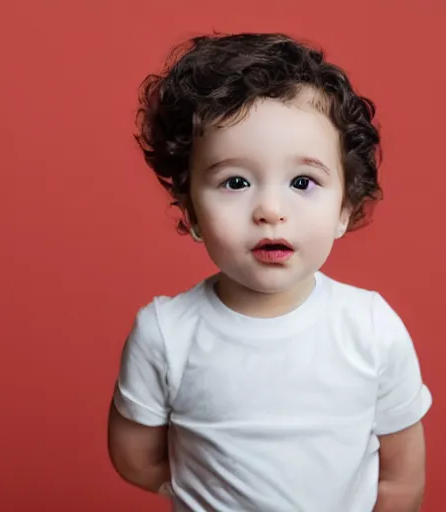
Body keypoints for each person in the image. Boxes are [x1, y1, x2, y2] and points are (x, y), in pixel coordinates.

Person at [107, 32, 432, 512]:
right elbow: (136, 455)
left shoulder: (371, 328)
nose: (271, 210)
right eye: (235, 182)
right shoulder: (166, 334)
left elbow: (402, 477)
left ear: (345, 207)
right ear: (192, 211)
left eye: (303, 181)